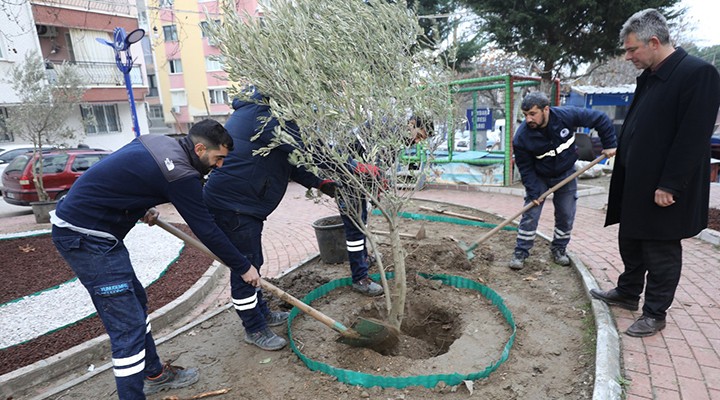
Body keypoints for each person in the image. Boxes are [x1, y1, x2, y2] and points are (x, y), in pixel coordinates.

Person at [50, 119, 260, 399]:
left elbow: (122, 177)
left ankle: (156, 374)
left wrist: (140, 205)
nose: (219, 165)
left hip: (97, 233)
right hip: (86, 239)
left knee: (136, 307)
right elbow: (206, 228)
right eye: (218, 158)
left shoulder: (157, 141)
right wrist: (243, 266)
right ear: (199, 149)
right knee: (128, 330)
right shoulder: (182, 175)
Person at [590, 9, 720, 337]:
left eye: (632, 49)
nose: (628, 55)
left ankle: (655, 312)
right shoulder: (650, 75)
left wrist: (671, 183)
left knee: (660, 249)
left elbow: (693, 135)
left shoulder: (697, 73)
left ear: (653, 41)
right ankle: (628, 292)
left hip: (664, 186)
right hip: (637, 181)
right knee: (631, 240)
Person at [203, 89, 337, 351]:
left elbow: (294, 162)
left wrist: (322, 182)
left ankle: (261, 313)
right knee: (245, 267)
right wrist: (353, 169)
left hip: (245, 203)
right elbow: (308, 151)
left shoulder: (268, 114)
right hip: (235, 205)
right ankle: (253, 328)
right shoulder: (267, 116)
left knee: (253, 262)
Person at [509, 92, 617, 270]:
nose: (528, 119)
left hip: (566, 173)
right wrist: (534, 192)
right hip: (540, 176)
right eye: (525, 115)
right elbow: (525, 168)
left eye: (532, 114)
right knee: (531, 214)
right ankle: (521, 251)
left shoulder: (566, 116)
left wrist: (610, 144)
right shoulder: (522, 137)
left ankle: (559, 249)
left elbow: (600, 118)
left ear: (546, 109)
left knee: (566, 214)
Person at [336, 115, 433, 296]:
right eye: (419, 135)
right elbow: (373, 160)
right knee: (355, 230)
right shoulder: (391, 129)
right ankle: (359, 278)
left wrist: (378, 183)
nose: (417, 141)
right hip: (346, 179)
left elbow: (378, 165)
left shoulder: (395, 133)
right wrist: (374, 178)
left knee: (361, 222)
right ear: (412, 125)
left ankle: (364, 258)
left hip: (356, 179)